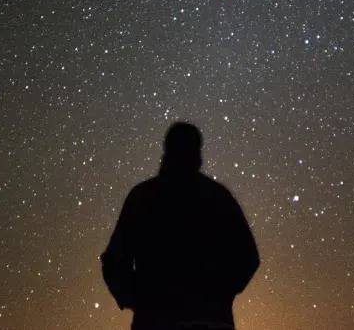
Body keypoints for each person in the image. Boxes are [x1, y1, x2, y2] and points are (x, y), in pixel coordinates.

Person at [101, 122, 260, 330]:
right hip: (210, 320)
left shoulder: (143, 197)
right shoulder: (219, 198)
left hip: (156, 320)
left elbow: (115, 261)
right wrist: (218, 295)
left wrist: (139, 299)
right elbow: (248, 258)